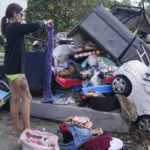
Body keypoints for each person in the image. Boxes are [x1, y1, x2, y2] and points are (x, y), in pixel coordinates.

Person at [1, 3, 53, 134]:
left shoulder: (6, 28)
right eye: (21, 14)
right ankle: (27, 129)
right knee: (27, 98)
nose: (21, 17)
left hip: (8, 70)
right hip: (16, 71)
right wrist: (44, 22)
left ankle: (15, 128)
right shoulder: (15, 27)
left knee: (15, 98)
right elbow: (31, 26)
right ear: (14, 13)